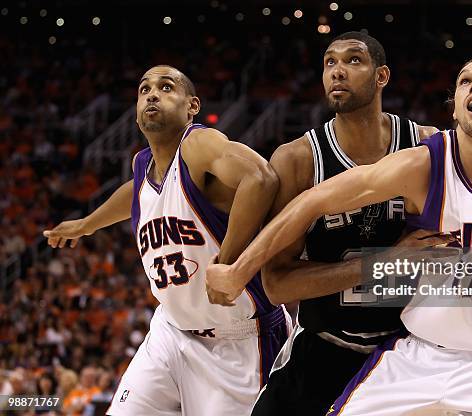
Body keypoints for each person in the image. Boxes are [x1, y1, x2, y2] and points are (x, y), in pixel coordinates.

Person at [206, 56, 472, 415]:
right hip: (420, 353)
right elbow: (312, 201)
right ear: (454, 109)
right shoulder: (422, 166)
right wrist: (240, 268)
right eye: (465, 81)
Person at [209, 31, 446, 416]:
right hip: (323, 349)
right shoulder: (298, 160)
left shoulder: (424, 146)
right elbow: (277, 285)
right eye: (329, 63)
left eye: (353, 61)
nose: (337, 71)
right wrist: (380, 264)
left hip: (409, 352)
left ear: (381, 76)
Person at [43, 65, 289, 415]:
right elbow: (135, 191)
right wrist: (87, 224)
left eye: (166, 87)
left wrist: (229, 265)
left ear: (192, 105)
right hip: (171, 332)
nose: (152, 94)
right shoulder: (143, 165)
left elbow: (260, 177)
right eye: (144, 90)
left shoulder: (198, 144)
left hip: (239, 340)